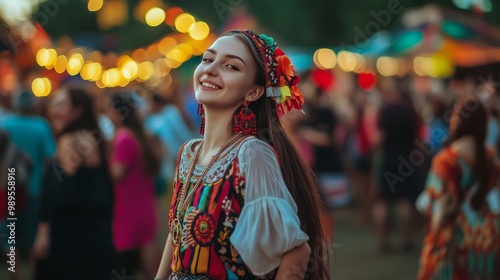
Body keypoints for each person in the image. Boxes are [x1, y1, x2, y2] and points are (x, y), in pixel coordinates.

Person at [155, 30, 330, 280]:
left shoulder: (251, 153)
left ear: (253, 92)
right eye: (207, 59)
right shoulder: (187, 153)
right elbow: (178, 235)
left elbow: (297, 252)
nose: (211, 69)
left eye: (231, 66)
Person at [33, 87, 116, 280]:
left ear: (78, 110)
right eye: (54, 103)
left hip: (70, 234)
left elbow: (56, 190)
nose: (54, 109)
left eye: (61, 104)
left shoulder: (69, 141)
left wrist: (43, 232)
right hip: (97, 234)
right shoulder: (97, 139)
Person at [416, 96, 500, 280]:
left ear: (457, 121)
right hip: (484, 240)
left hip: (451, 240)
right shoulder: (491, 157)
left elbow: (432, 206)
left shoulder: (445, 161)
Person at [107, 91, 161, 279]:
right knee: (150, 266)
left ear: (117, 112)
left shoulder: (123, 137)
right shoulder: (141, 135)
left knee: (125, 266)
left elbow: (117, 173)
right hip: (145, 207)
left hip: (127, 210)